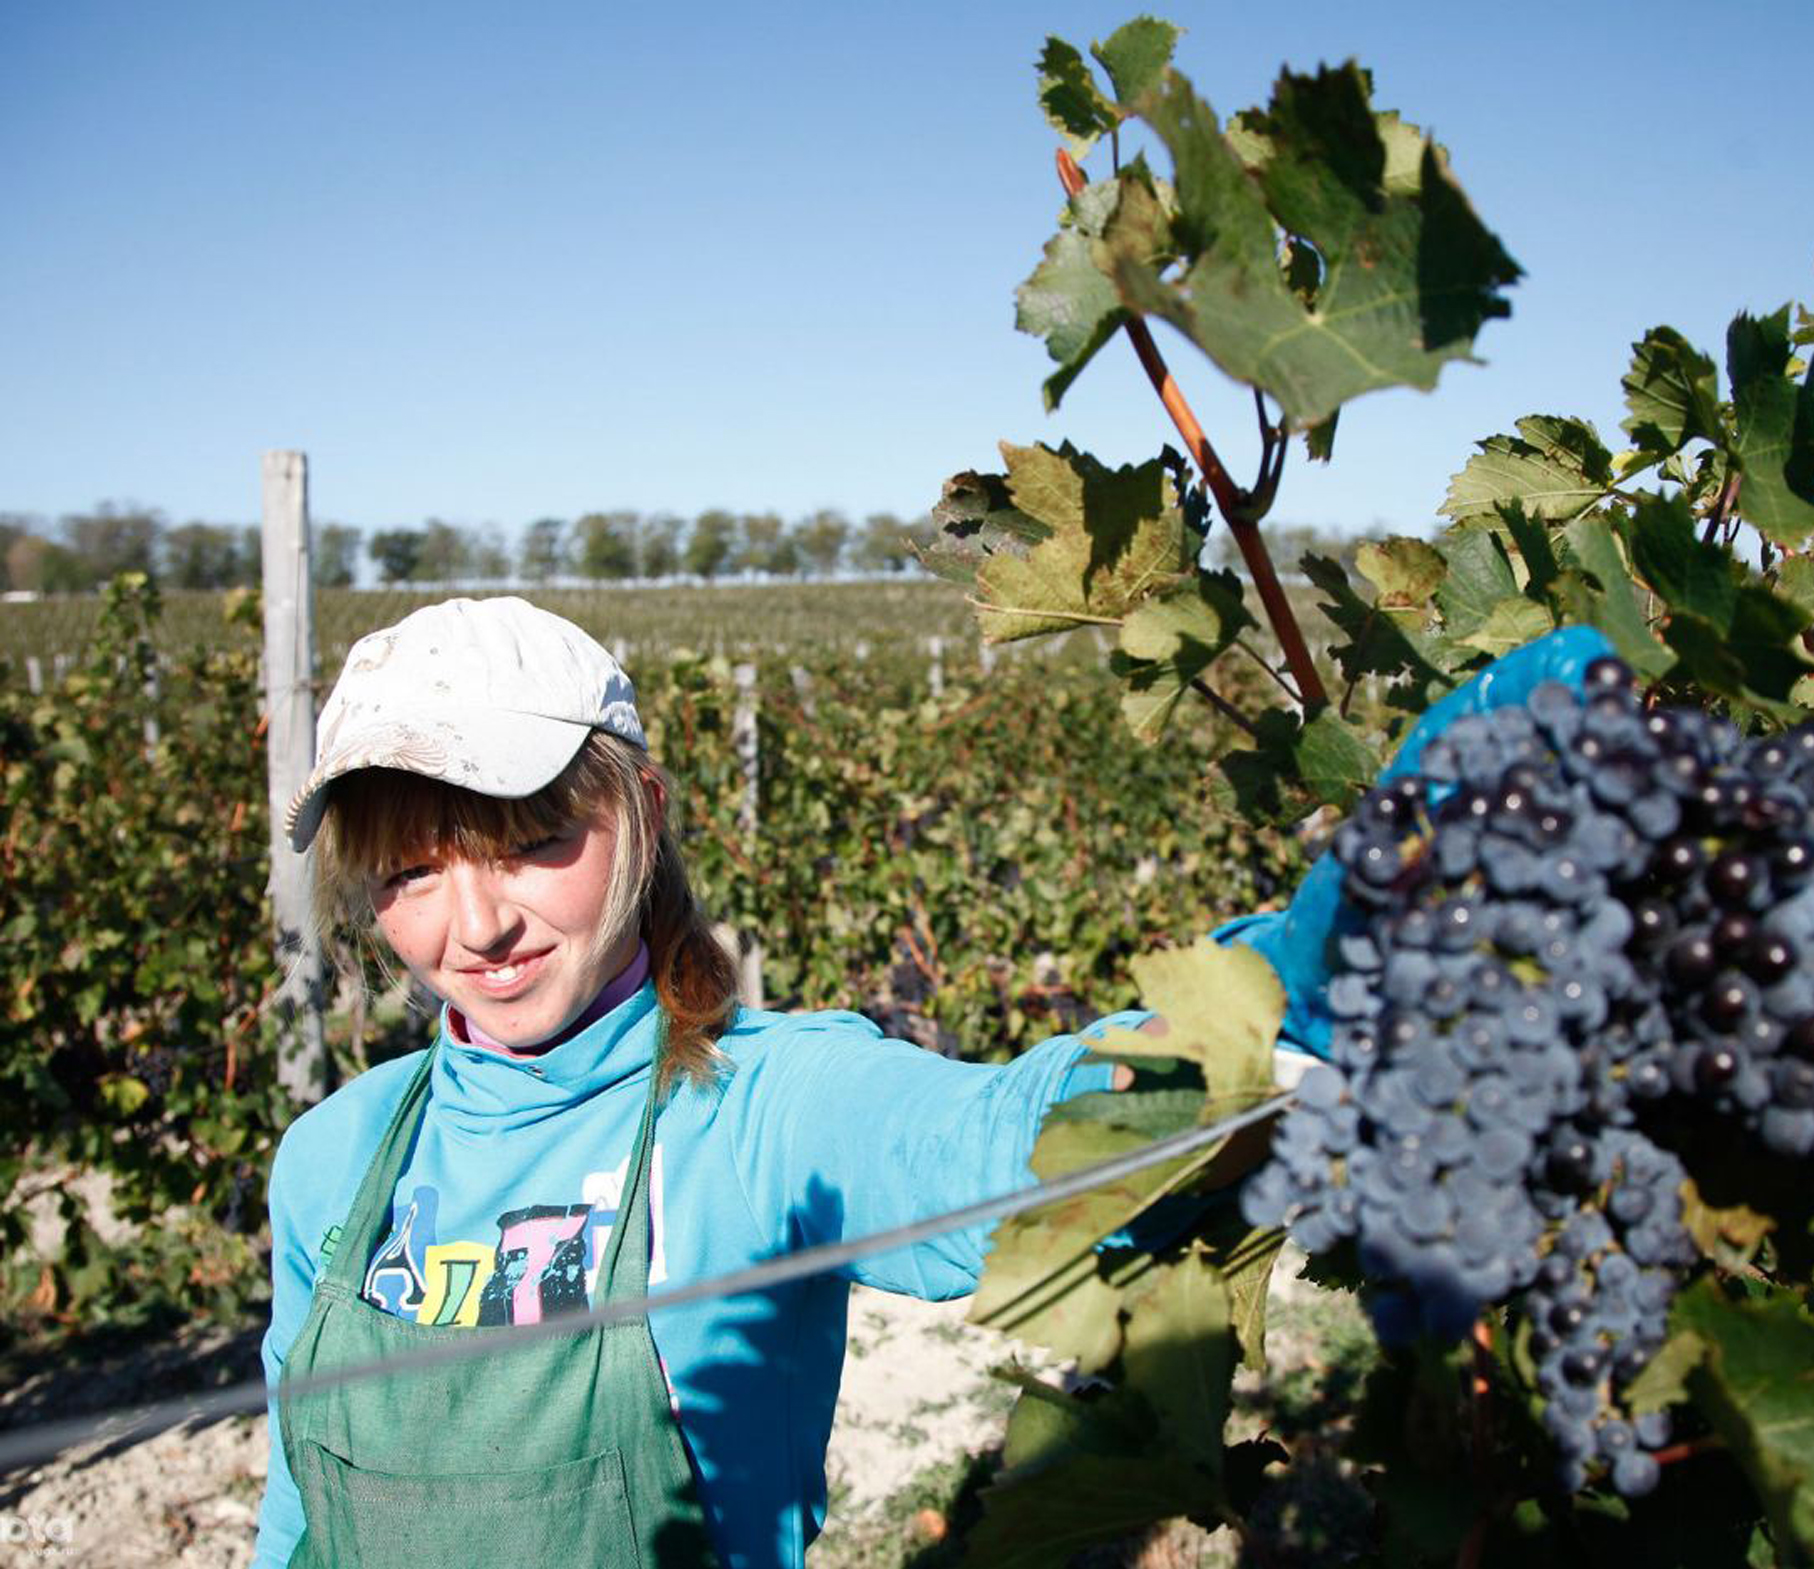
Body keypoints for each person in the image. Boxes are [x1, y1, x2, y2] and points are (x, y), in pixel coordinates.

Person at [254, 594, 1607, 1568]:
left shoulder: (755, 1111)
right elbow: (299, 1517)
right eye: (411, 874)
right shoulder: (336, 1158)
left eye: (533, 839)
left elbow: (989, 1150)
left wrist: (1273, 1002)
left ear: (642, 813)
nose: (472, 926)